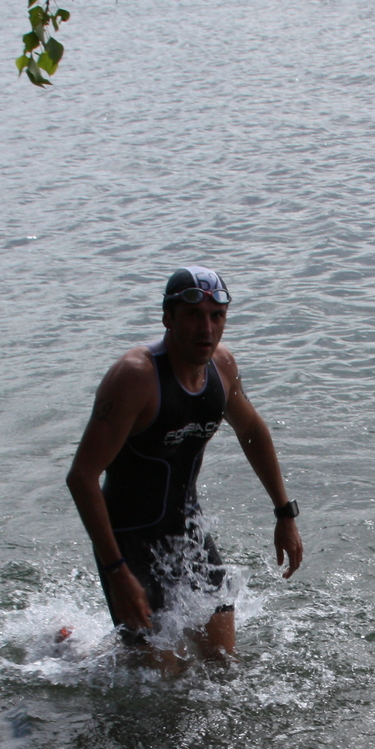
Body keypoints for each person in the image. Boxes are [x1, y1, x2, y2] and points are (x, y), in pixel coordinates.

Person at [66, 265, 303, 662]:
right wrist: (117, 571)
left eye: (217, 316)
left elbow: (252, 430)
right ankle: (72, 648)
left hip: (187, 530)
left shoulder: (222, 369)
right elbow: (82, 477)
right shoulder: (135, 378)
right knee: (162, 675)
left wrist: (284, 513)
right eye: (193, 315)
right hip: (129, 541)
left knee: (222, 662)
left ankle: (100, 648)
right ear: (168, 318)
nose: (206, 329)